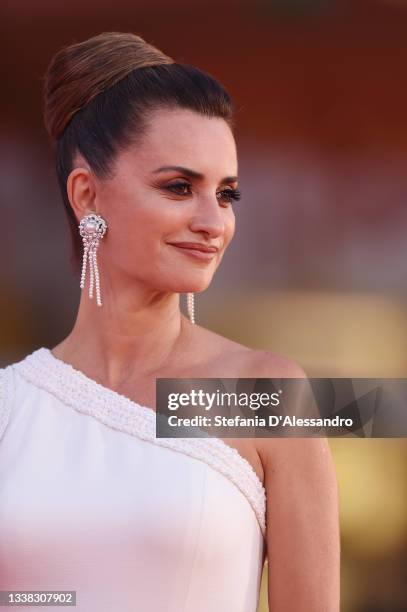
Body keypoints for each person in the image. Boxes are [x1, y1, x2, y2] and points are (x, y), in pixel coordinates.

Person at [0, 32, 340, 611]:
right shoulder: (10, 409)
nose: (213, 221)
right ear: (87, 195)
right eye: (179, 187)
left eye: (227, 194)